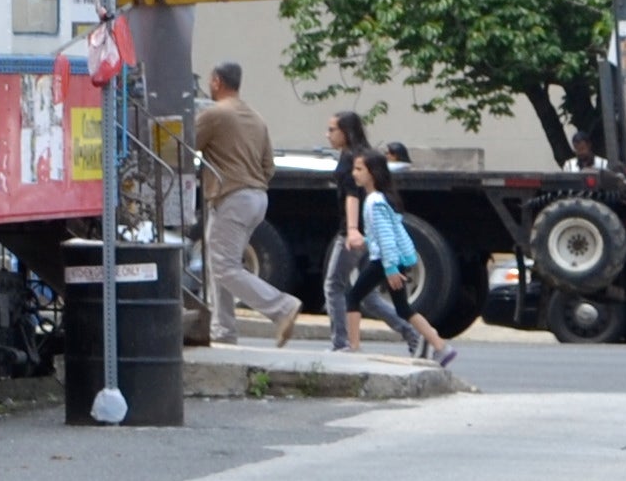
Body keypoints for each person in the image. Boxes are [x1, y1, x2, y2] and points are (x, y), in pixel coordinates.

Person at [189, 64, 302, 346]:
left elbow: (186, 145)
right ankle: (224, 330)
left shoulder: (215, 114)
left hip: (231, 196)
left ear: (216, 81)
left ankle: (282, 307)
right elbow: (269, 166)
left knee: (224, 267)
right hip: (257, 197)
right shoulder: (256, 117)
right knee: (222, 264)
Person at [322, 122, 449, 365]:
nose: (354, 173)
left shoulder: (374, 202)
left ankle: (350, 347)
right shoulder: (378, 199)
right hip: (387, 258)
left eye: (359, 170)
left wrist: (390, 267)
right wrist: (366, 240)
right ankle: (437, 345)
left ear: (372, 173)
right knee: (401, 308)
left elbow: (388, 238)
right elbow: (383, 233)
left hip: (386, 261)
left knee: (352, 296)